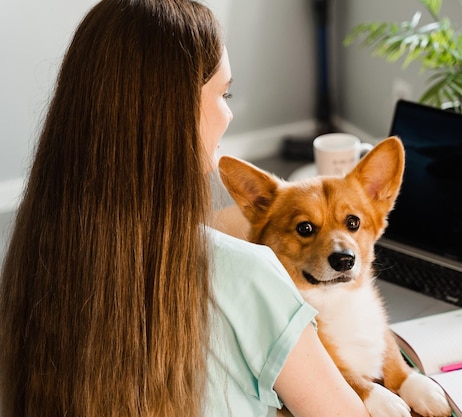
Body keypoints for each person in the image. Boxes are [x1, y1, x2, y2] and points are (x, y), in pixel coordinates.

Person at [0, 1, 370, 416]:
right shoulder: (248, 275)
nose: (228, 113)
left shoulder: (33, 261)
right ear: (172, 112)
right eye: (223, 93)